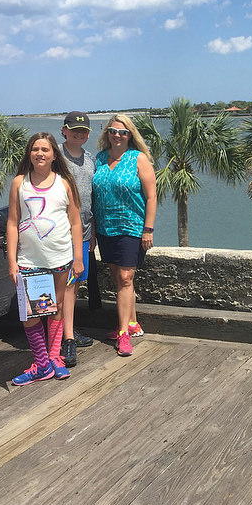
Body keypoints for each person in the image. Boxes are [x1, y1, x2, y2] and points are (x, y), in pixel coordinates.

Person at [6, 132, 84, 385]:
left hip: (60, 257)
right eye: (35, 149)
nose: (40, 153)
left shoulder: (65, 183)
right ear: (29, 153)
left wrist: (78, 257)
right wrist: (11, 261)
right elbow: (12, 222)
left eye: (45, 149)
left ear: (53, 155)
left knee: (57, 307)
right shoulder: (20, 183)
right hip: (29, 259)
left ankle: (54, 358)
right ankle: (41, 364)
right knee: (31, 313)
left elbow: (75, 222)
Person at [92, 114, 157, 357]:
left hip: (131, 226)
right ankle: (131, 322)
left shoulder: (138, 159)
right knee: (119, 278)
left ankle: (122, 334)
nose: (117, 136)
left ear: (130, 135)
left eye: (123, 132)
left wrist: (148, 229)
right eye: (113, 131)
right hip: (105, 228)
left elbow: (151, 196)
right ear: (107, 133)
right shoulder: (99, 159)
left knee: (126, 277)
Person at [59, 111, 96, 368]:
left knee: (75, 284)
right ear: (64, 130)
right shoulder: (55, 158)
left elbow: (91, 199)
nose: (78, 134)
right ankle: (65, 338)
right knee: (64, 286)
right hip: (60, 233)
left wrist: (92, 231)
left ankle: (67, 331)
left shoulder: (90, 160)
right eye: (74, 130)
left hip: (82, 232)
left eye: (83, 131)